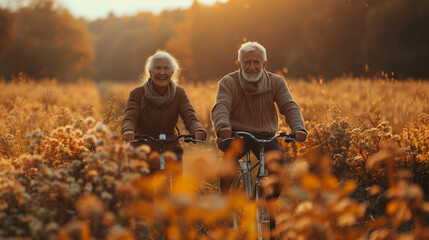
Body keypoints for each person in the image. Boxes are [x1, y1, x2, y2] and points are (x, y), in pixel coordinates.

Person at [211, 41, 307, 234]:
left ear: (264, 64)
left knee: (277, 170)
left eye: (256, 62)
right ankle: (224, 199)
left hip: (265, 135)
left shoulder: (276, 82)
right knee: (229, 162)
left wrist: (298, 127)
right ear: (238, 64)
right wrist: (223, 126)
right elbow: (221, 106)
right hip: (237, 133)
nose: (252, 67)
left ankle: (267, 210)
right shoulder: (228, 82)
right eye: (247, 62)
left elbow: (289, 106)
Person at [122, 50, 206, 168]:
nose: (162, 72)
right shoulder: (137, 94)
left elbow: (189, 115)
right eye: (158, 68)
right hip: (142, 148)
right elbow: (130, 116)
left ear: (172, 72)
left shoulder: (179, 93)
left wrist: (197, 130)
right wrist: (128, 130)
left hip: (170, 147)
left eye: (166, 68)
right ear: (150, 72)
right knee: (141, 184)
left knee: (176, 183)